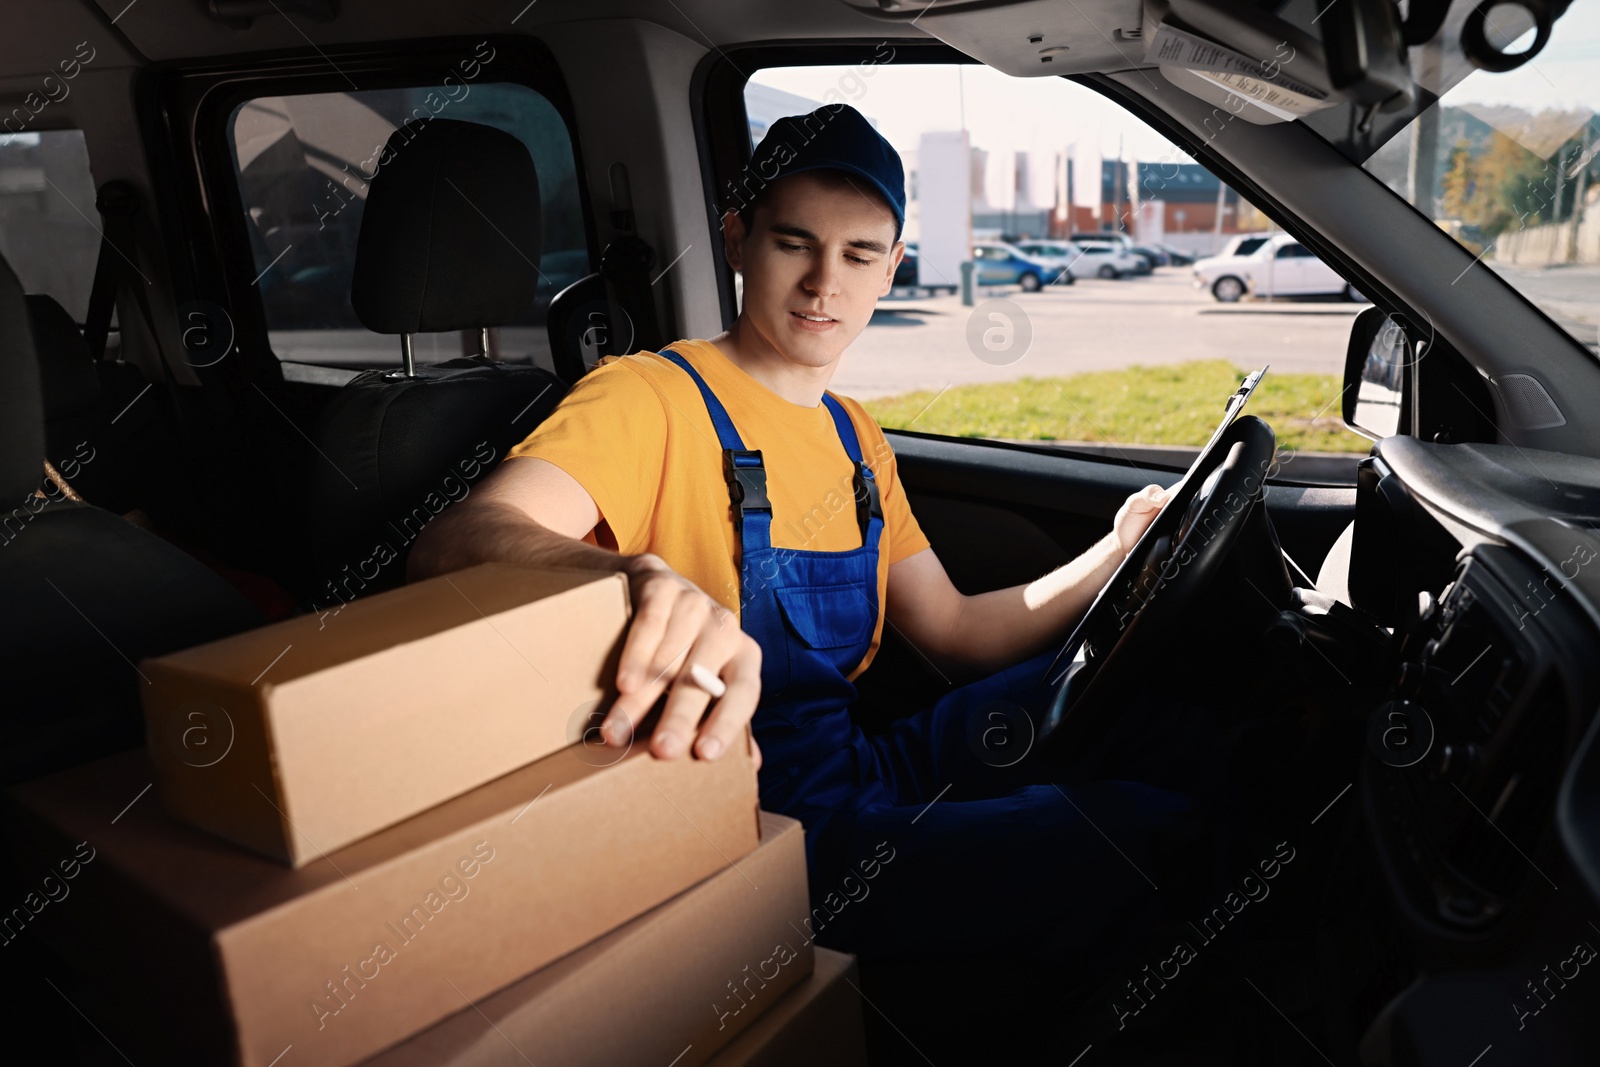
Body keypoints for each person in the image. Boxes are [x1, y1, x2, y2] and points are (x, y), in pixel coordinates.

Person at [408, 104, 1226, 968]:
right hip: (744, 820)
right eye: (794, 243)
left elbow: (956, 631)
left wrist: (1121, 548)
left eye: (859, 254)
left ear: (892, 268)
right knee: (1127, 836)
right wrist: (634, 576)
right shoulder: (647, 396)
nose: (823, 284)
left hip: (855, 766)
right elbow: (459, 536)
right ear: (736, 240)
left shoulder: (854, 435)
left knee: (1154, 714)